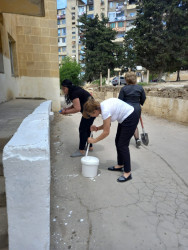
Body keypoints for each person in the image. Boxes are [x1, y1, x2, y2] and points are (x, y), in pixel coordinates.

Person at [83, 97, 140, 183]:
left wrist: (94, 140)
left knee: (122, 145)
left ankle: (128, 173)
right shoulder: (102, 108)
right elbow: (107, 124)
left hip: (131, 117)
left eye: (90, 114)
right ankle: (120, 165)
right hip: (125, 118)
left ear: (94, 111)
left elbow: (106, 132)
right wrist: (97, 128)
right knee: (118, 141)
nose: (90, 116)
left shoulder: (105, 110)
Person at [60, 79, 95, 157]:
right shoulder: (75, 90)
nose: (63, 90)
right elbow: (76, 104)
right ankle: (90, 147)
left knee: (82, 129)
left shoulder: (73, 93)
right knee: (87, 128)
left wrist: (65, 112)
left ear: (68, 87)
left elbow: (77, 108)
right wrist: (67, 109)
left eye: (64, 88)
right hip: (91, 110)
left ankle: (81, 150)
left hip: (90, 111)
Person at [118, 72, 146, 147]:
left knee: (125, 124)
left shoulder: (124, 89)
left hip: (126, 109)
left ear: (126, 80)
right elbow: (143, 99)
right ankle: (137, 139)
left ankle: (124, 139)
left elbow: (120, 101)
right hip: (136, 108)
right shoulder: (140, 88)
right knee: (134, 124)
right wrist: (138, 103)